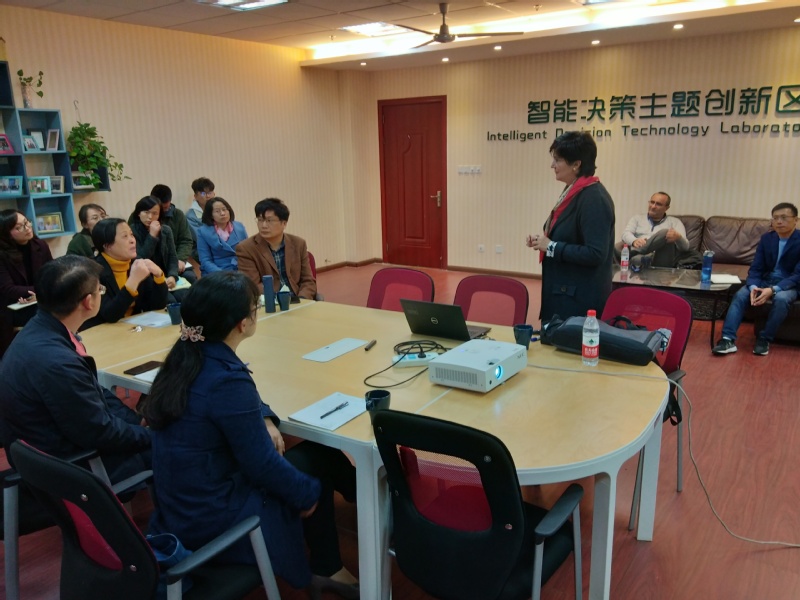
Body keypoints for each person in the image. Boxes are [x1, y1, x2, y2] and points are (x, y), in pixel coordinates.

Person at [138, 272, 358, 597]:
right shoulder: (225, 379)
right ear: (243, 323)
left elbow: (236, 401)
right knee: (315, 463)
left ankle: (345, 536)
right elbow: (261, 464)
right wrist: (307, 494)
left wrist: (264, 416)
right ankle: (358, 527)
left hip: (181, 507)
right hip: (216, 519)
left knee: (315, 459)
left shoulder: (183, 359)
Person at [0, 255, 151, 483]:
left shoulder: (40, 329)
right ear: (88, 302)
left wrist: (134, 421)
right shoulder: (57, 362)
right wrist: (148, 435)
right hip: (70, 466)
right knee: (179, 448)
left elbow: (93, 391)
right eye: (100, 289)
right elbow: (99, 432)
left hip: (51, 444)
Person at [526, 131, 615, 322]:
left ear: (576, 164)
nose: (552, 165)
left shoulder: (594, 198)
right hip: (563, 293)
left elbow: (596, 253)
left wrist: (551, 246)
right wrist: (543, 241)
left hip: (579, 301)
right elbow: (569, 234)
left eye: (558, 160)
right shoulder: (574, 191)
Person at [712, 203, 800, 356]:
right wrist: (753, 286)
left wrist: (773, 290)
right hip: (765, 280)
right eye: (775, 218)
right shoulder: (767, 239)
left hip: (789, 284)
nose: (779, 222)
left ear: (796, 220)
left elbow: (798, 275)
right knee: (741, 295)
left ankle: (764, 339)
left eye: (784, 218)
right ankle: (727, 339)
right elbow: (756, 267)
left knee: (781, 299)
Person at [84, 217, 168, 328]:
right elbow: (110, 315)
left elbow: (156, 306)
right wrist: (133, 281)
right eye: (125, 236)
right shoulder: (92, 272)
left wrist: (159, 276)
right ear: (107, 246)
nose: (132, 240)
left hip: (132, 327)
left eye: (131, 234)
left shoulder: (135, 263)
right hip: (102, 330)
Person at [236, 198, 317, 299]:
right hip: (269, 302)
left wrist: (302, 299)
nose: (263, 225)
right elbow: (252, 285)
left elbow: (308, 280)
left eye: (269, 220)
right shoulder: (246, 248)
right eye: (260, 220)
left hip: (297, 299)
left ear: (284, 223)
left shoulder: (298, 243)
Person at [0, 210, 53, 356]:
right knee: (47, 315)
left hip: (37, 300)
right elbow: (7, 289)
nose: (27, 228)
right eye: (19, 227)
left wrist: (39, 294)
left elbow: (52, 275)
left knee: (64, 305)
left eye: (27, 222)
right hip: (11, 307)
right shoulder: (2, 255)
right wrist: (37, 292)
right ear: (6, 233)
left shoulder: (40, 245)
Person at [128, 195, 187, 302]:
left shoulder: (166, 230)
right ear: (138, 213)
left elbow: (172, 257)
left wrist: (173, 276)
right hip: (146, 279)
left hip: (165, 276)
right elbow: (140, 259)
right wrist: (152, 236)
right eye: (146, 212)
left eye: (155, 213)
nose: (150, 217)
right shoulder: (132, 231)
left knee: (185, 296)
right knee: (170, 301)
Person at [618, 192, 701, 268]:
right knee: (637, 260)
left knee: (665, 232)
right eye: (652, 202)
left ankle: (633, 253)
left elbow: (685, 247)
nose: (653, 206)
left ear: (666, 208)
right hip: (641, 257)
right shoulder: (637, 219)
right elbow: (625, 234)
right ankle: (636, 255)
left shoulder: (675, 222)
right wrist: (634, 241)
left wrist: (678, 238)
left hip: (661, 259)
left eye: (658, 204)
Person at [150, 184, 197, 284]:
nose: (164, 211)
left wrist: (180, 259)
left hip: (174, 260)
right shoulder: (144, 217)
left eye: (166, 207)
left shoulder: (178, 215)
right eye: (160, 208)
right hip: (152, 263)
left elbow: (186, 240)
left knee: (191, 277)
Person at [196, 197, 248, 275]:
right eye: (217, 211)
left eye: (224, 209)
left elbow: (247, 252)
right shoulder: (203, 231)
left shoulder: (239, 227)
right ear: (210, 215)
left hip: (239, 268)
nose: (222, 213)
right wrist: (223, 275)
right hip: (216, 271)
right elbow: (205, 260)